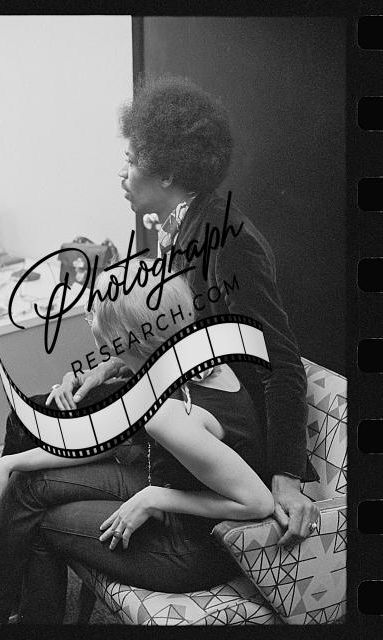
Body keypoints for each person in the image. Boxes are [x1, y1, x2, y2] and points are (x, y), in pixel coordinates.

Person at [48, 75, 319, 547]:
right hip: (180, 398)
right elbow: (171, 333)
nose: (122, 173)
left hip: (222, 431)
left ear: (167, 173)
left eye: (132, 161)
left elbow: (280, 361)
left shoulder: (230, 241)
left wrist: (287, 475)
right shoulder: (177, 228)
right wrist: (108, 365)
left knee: (42, 425)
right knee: (51, 408)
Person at [0, 260, 274, 625]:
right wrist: (8, 463)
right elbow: (102, 438)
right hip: (169, 485)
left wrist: (156, 498)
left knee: (40, 522)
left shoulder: (170, 417)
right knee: (28, 484)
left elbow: (258, 502)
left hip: (195, 547)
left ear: (124, 340)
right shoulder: (192, 350)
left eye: (95, 319)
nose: (92, 326)